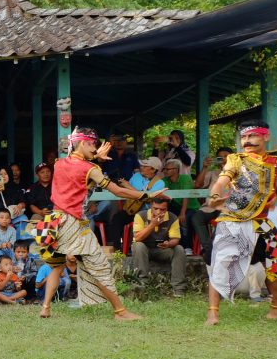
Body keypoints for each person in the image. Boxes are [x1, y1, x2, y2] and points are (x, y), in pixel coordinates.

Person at [34, 127, 161, 320]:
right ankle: (120, 311)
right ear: (83, 143)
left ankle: (45, 308)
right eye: (93, 144)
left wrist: (95, 159)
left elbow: (75, 165)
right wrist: (146, 195)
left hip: (54, 222)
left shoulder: (59, 164)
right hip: (74, 224)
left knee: (57, 266)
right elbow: (118, 191)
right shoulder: (90, 169)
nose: (96, 148)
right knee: (99, 266)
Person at [206, 119, 277, 325]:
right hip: (234, 221)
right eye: (244, 137)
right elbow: (221, 181)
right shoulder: (235, 159)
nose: (246, 141)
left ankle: (276, 310)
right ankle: (212, 314)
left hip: (262, 223)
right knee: (221, 265)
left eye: (252, 136)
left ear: (265, 136)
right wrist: (214, 198)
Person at [130, 196, 187, 297]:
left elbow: (176, 239)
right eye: (155, 208)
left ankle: (179, 288)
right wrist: (152, 224)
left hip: (162, 250)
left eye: (163, 209)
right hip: (144, 250)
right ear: (151, 206)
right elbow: (137, 238)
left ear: (167, 209)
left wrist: (168, 244)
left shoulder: (172, 217)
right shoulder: (140, 215)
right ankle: (142, 284)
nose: (158, 212)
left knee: (179, 249)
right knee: (138, 246)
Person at [107, 157, 167, 249]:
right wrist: (123, 185)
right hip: (132, 210)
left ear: (153, 169)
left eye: (145, 166)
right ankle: (117, 249)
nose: (141, 167)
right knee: (117, 218)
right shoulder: (136, 176)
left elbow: (148, 199)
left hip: (148, 213)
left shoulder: (160, 183)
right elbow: (126, 191)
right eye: (141, 165)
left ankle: (135, 248)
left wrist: (128, 186)